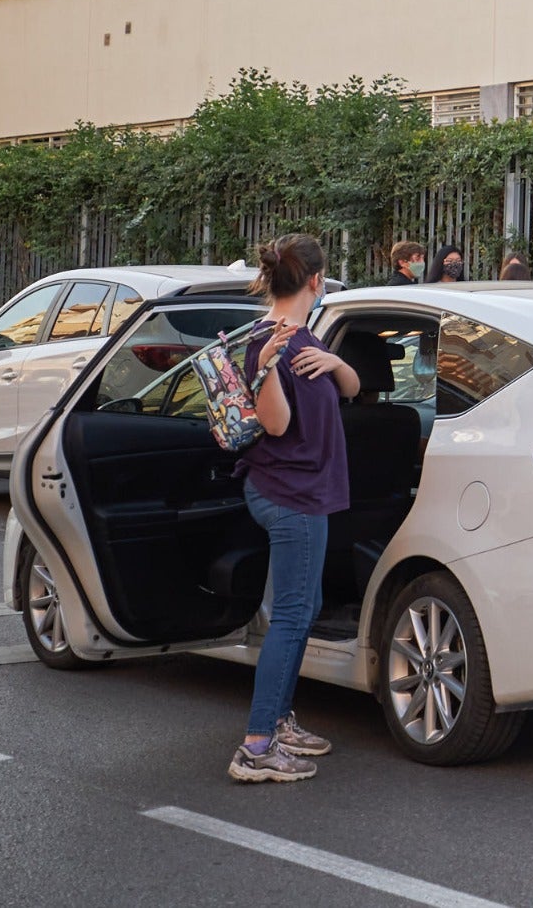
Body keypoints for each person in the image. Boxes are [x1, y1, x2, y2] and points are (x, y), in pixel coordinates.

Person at [228, 234, 359, 783]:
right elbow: (276, 425)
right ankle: (257, 746)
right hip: (291, 496)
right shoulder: (267, 342)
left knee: (303, 608)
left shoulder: (307, 336)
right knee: (290, 615)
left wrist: (333, 361)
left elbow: (352, 387)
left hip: (300, 492)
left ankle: (279, 722)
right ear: (315, 280)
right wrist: (268, 369)